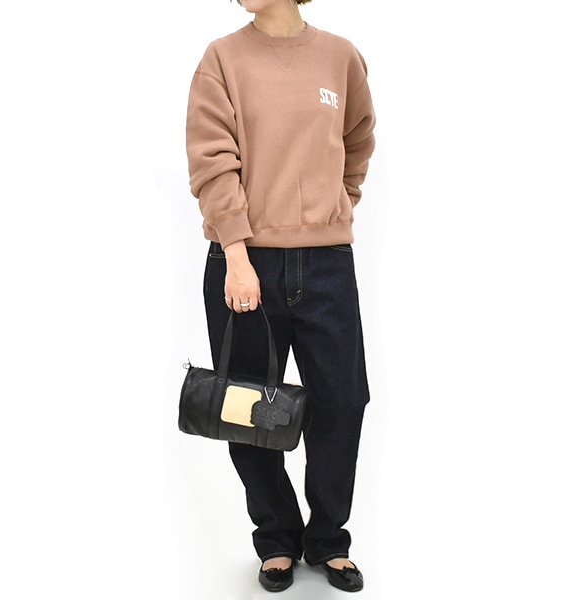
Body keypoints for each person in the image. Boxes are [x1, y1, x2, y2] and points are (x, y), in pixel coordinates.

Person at [185, 0, 376, 592]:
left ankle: (329, 539)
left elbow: (358, 141)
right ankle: (276, 539)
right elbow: (212, 161)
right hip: (245, 260)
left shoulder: (340, 57)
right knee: (248, 407)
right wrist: (237, 255)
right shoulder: (222, 58)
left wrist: (336, 207)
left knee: (343, 402)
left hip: (327, 262)